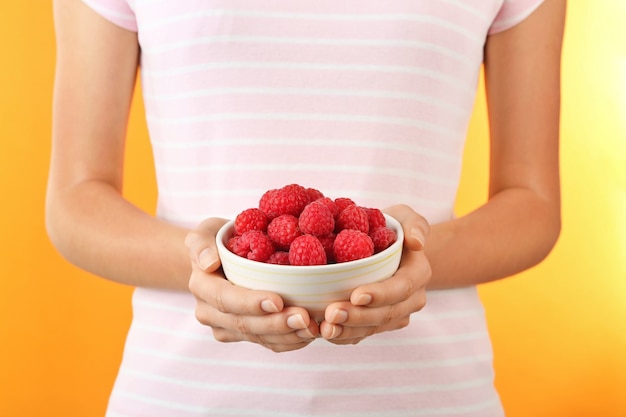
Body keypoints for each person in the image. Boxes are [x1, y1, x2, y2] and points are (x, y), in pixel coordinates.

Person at [46, 0, 565, 415]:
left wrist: (402, 261)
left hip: (428, 396)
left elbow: (532, 203)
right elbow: (76, 197)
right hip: (183, 395)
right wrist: (217, 264)